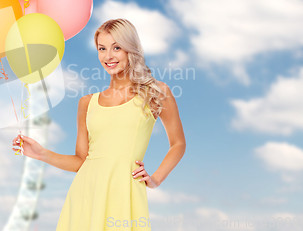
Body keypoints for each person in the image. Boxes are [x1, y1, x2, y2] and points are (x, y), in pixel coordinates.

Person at [11, 18, 186, 230]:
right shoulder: (86, 103)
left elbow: (178, 143)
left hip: (124, 193)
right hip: (85, 194)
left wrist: (156, 179)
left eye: (116, 48)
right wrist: (41, 154)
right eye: (102, 48)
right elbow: (80, 161)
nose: (108, 56)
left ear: (131, 50)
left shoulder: (156, 92)